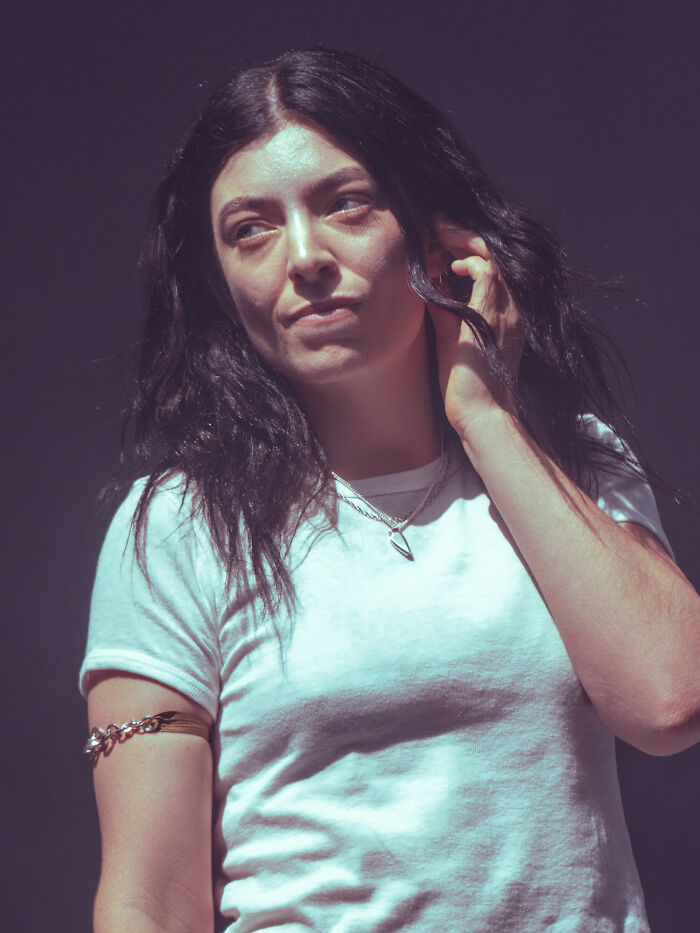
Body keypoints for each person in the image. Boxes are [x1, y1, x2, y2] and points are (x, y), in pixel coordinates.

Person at [80, 47, 700, 933]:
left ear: (438, 236)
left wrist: (486, 417)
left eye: (345, 204)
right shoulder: (180, 527)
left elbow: (672, 700)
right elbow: (150, 901)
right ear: (220, 281)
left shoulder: (572, 465)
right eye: (250, 229)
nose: (304, 257)